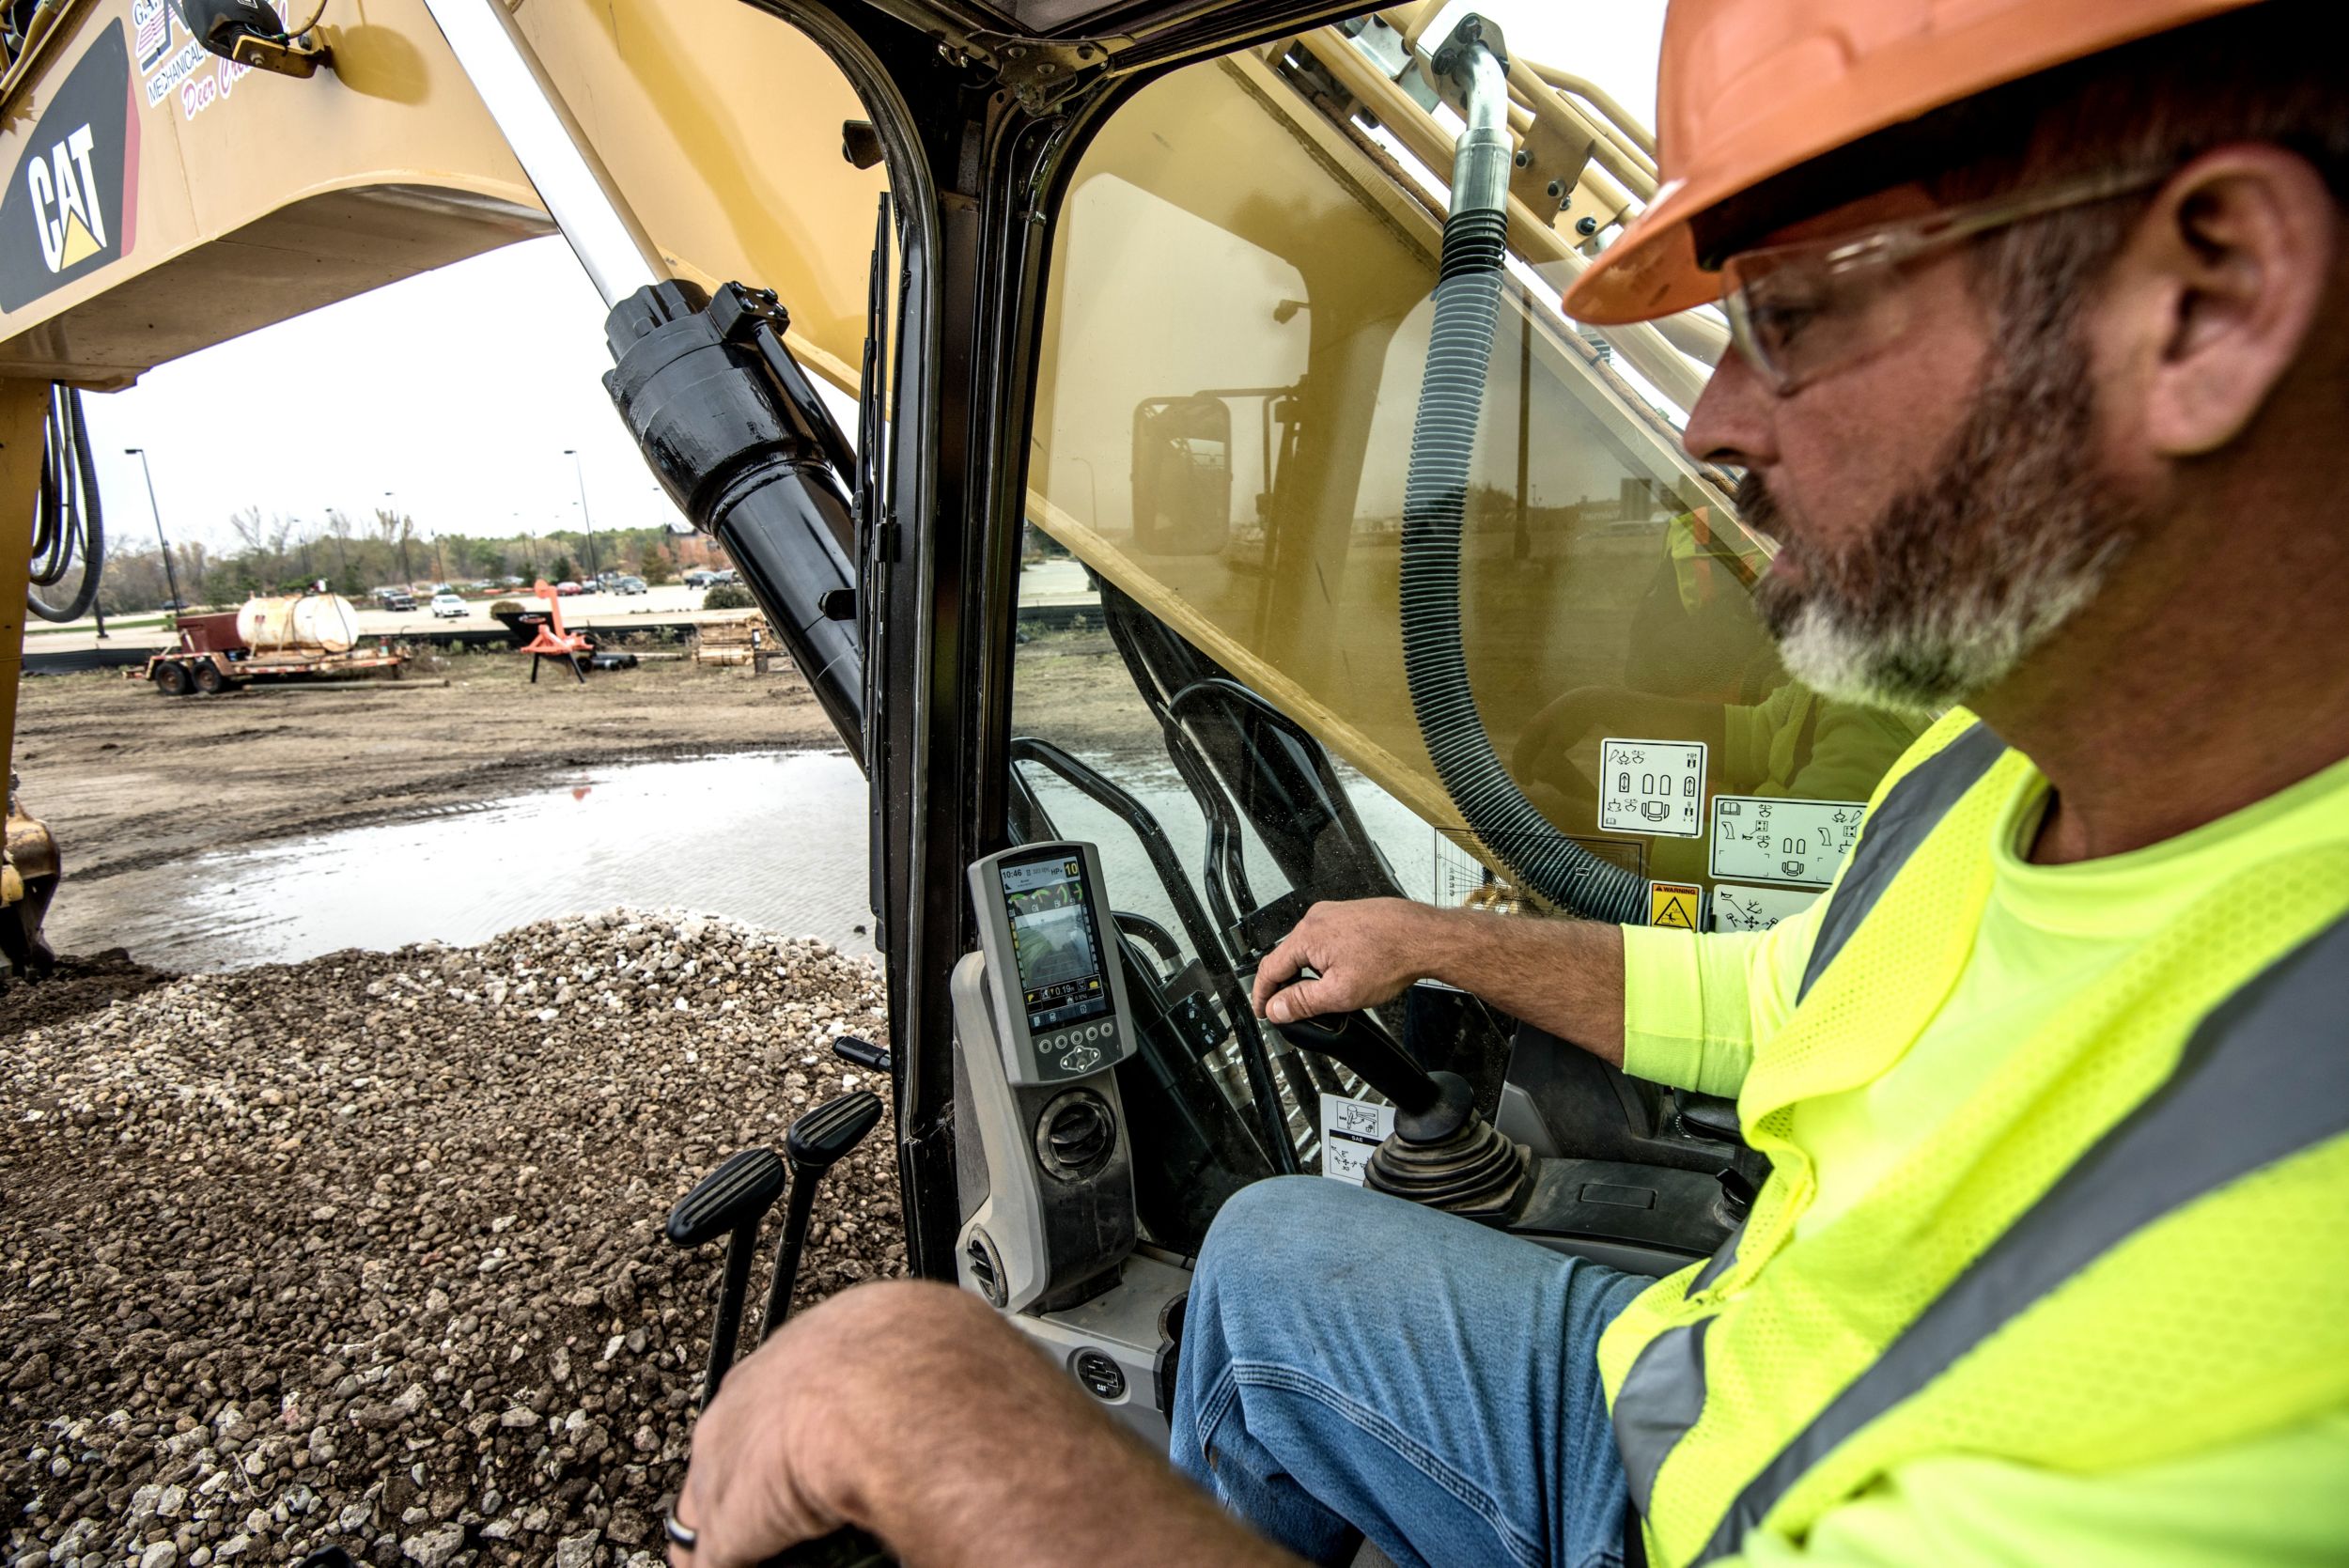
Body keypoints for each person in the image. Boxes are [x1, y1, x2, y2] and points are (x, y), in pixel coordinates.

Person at [664, 1, 2349, 1563]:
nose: (1714, 421)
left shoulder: (2291, 1228)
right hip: (1723, 1362)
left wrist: (926, 1407)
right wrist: (1439, 938)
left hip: (1703, 1508)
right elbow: (1801, 995)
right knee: (1259, 1248)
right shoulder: (2004, 755)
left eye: (1788, 315)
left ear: (2203, 298)